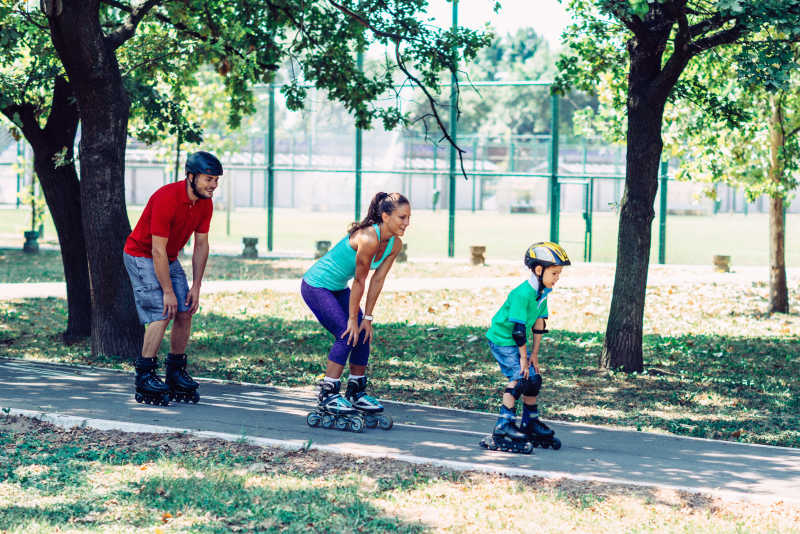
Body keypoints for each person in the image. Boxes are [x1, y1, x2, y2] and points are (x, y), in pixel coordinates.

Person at [302, 192, 409, 431]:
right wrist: (352, 319)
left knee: (362, 333)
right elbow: (360, 281)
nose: (406, 223)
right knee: (346, 333)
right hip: (316, 285)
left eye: (408, 218)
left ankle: (355, 390)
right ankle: (328, 393)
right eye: (401, 217)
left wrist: (367, 319)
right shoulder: (368, 238)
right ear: (385, 216)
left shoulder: (395, 243)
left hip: (338, 288)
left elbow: (377, 280)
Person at [122, 151, 222, 406]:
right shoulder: (167, 197)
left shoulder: (205, 204)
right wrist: (167, 290)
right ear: (191, 176)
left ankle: (175, 372)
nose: (213, 185)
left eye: (216, 180)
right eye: (208, 179)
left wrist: (196, 286)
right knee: (162, 310)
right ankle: (144, 375)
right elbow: (156, 250)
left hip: (168, 257)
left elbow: (201, 245)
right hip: (141, 255)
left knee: (185, 308)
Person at [480, 241, 570, 453]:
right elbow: (518, 330)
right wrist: (523, 358)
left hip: (516, 341)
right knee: (520, 378)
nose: (558, 278)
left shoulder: (543, 292)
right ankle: (503, 427)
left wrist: (534, 356)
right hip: (503, 339)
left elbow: (539, 324)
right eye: (555, 273)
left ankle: (530, 422)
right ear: (539, 270)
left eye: (559, 273)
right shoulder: (523, 294)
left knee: (534, 378)